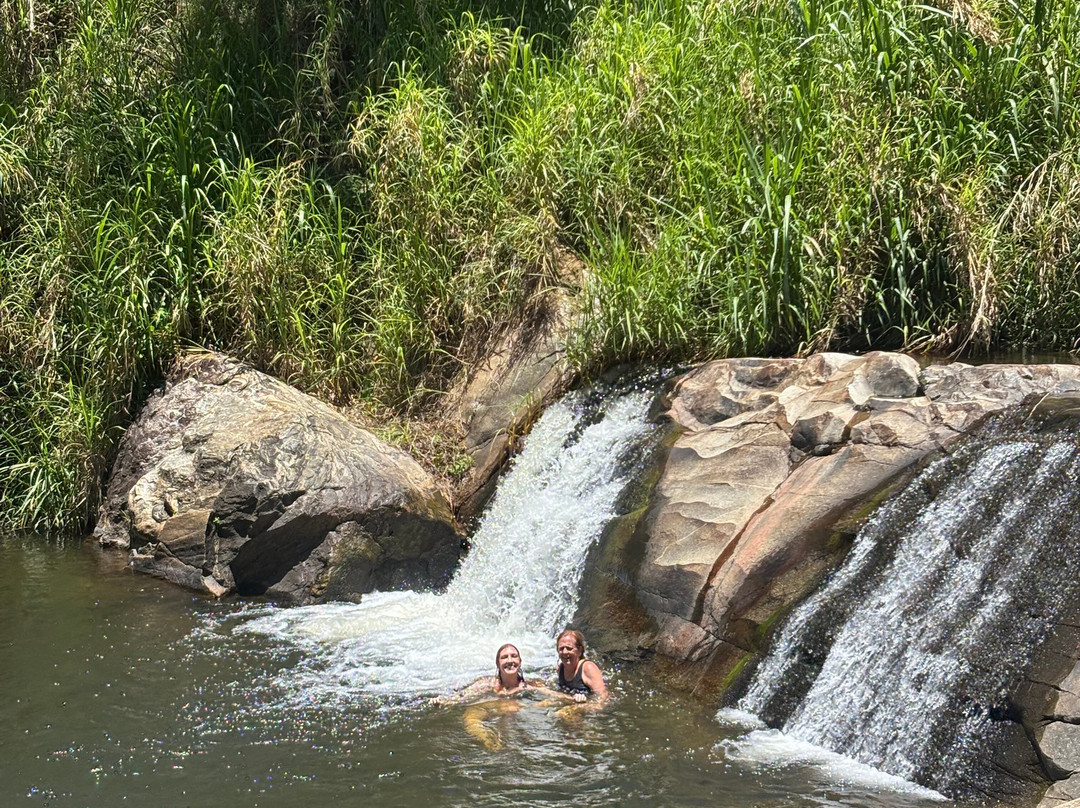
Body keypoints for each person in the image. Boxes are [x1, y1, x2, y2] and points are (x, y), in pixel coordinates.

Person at [555, 629, 608, 704]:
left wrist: (586, 705)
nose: (564, 652)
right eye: (561, 649)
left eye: (569, 648)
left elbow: (603, 697)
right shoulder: (560, 668)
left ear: (579, 650)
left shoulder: (588, 668)